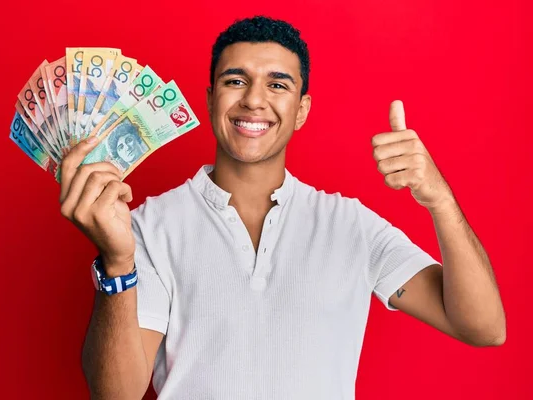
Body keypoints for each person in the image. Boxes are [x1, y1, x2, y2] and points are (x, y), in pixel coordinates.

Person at [58, 16, 506, 400]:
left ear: (302, 109)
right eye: (236, 81)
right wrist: (117, 261)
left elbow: (485, 329)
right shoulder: (147, 227)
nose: (254, 99)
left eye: (277, 84)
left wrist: (440, 199)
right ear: (211, 98)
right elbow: (117, 393)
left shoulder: (351, 225)